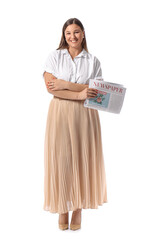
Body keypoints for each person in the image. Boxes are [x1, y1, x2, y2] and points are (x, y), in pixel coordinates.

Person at [43, 18, 107, 231]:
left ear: (83, 34)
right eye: (68, 33)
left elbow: (97, 92)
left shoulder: (93, 60)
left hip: (85, 115)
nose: (73, 37)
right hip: (60, 113)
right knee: (62, 159)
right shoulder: (55, 57)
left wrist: (67, 85)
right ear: (64, 35)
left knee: (82, 158)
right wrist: (79, 92)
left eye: (76, 32)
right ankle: (62, 207)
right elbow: (51, 88)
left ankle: (78, 209)